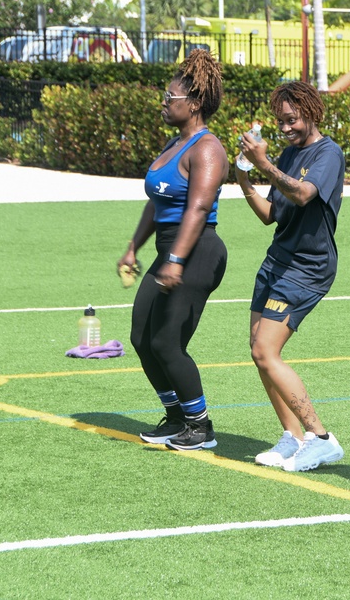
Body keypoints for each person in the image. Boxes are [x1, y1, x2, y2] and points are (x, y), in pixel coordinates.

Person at [120, 49, 229, 451]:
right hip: (170, 249)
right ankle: (177, 415)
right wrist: (134, 247)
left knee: (167, 342)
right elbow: (157, 203)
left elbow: (198, 209)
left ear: (195, 104)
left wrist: (177, 260)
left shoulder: (207, 149)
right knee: (140, 337)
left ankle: (200, 427)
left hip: (197, 250)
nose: (164, 103)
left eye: (171, 98)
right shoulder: (173, 143)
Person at [235, 81, 346, 472]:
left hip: (307, 267)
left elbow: (302, 194)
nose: (285, 128)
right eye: (281, 121)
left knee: (267, 350)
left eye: (292, 120)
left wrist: (265, 164)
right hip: (277, 261)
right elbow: (272, 214)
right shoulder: (288, 153)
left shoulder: (328, 153)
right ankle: (291, 437)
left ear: (312, 112)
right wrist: (245, 176)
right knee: (257, 349)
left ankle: (320, 439)